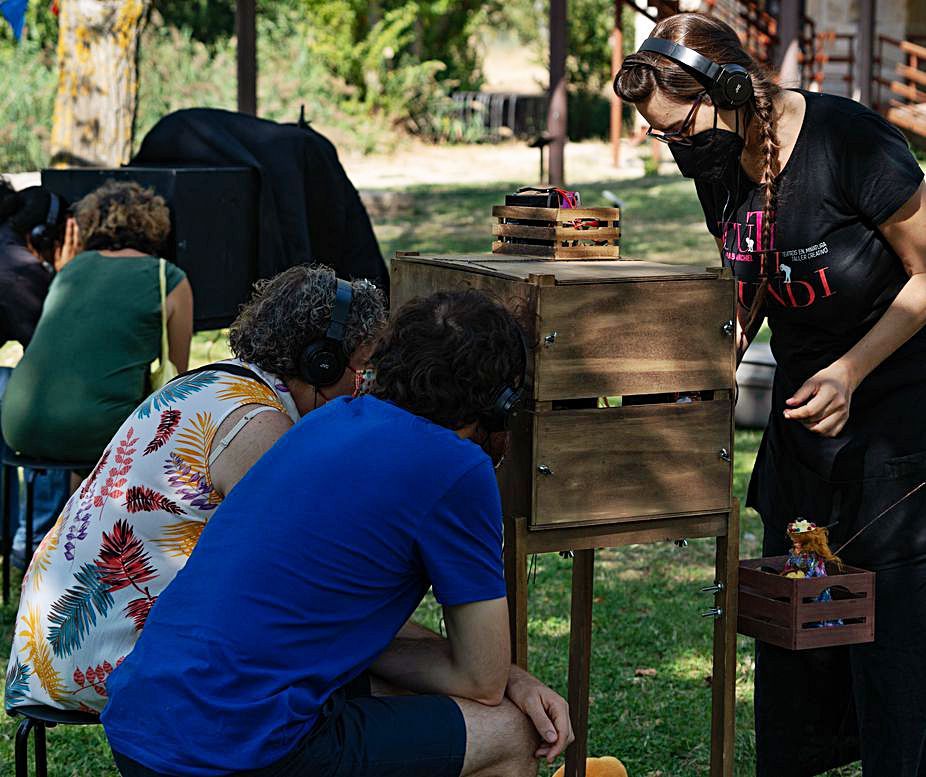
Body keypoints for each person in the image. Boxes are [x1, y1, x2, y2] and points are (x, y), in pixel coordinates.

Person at [615, 12, 926, 777]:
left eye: (678, 125)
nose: (676, 145)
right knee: (793, 644)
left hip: (896, 417)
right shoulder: (714, 152)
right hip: (802, 427)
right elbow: (748, 282)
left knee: (894, 653)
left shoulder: (850, 140)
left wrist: (851, 370)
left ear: (724, 86)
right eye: (661, 135)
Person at [101, 290, 574, 777]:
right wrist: (509, 680)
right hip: (230, 750)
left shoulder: (324, 420)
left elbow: (345, 632)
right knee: (512, 732)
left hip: (143, 728)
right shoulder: (459, 468)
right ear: (500, 404)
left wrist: (503, 677)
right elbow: (480, 679)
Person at [4, 264, 387, 714]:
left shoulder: (209, 385)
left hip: (53, 651)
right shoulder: (258, 426)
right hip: (108, 663)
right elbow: (307, 581)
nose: (364, 389)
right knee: (361, 671)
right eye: (362, 371)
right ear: (320, 361)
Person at [1, 180, 194, 465]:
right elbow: (178, 381)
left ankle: (72, 509)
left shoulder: (71, 269)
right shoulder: (169, 277)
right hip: (95, 435)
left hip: (18, 426)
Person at [0, 183, 73, 565]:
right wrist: (66, 275)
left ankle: (10, 536)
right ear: (44, 236)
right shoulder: (22, 270)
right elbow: (50, 355)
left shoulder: (6, 247)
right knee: (47, 403)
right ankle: (31, 541)